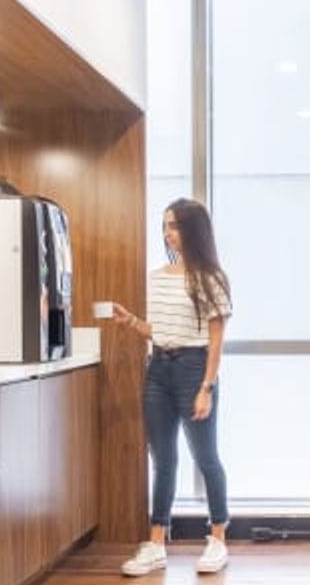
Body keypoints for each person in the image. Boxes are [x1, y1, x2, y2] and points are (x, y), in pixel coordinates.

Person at [113, 199, 234, 576]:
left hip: (195, 368)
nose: (168, 233)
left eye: (176, 226)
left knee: (205, 457)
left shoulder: (210, 277)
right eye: (165, 226)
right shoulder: (157, 277)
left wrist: (206, 387)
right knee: (163, 459)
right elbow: (161, 330)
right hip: (159, 369)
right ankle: (156, 543)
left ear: (194, 231)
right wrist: (132, 322)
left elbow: (215, 340)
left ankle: (217, 538)